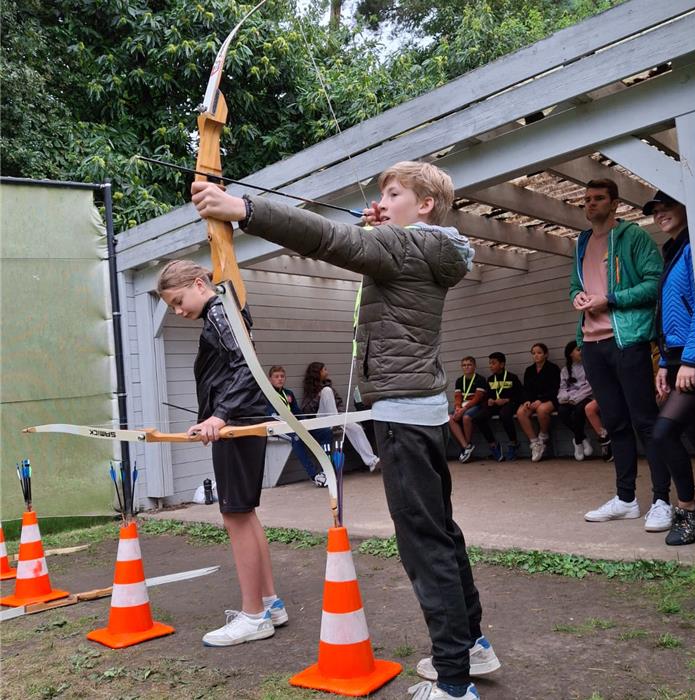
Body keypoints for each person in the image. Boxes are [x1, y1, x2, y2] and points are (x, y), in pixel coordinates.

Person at [191, 160, 500, 700]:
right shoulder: (428, 248)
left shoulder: (403, 247)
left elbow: (327, 237)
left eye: (395, 192)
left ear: (425, 205)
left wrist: (241, 209)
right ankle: (470, 645)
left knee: (424, 544)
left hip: (403, 416)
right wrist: (382, 227)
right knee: (441, 533)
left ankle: (454, 683)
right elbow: (369, 243)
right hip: (422, 412)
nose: (384, 201)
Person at [157, 260, 288, 646]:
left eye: (179, 301)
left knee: (235, 516)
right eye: (172, 306)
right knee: (243, 514)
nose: (178, 311)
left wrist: (219, 416)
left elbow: (246, 367)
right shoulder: (223, 311)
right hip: (239, 421)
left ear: (200, 284)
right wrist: (213, 417)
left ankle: (253, 616)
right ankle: (269, 603)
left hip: (237, 423)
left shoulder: (218, 311)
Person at [570, 178, 672, 531]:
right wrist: (578, 299)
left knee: (645, 420)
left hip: (626, 340)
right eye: (586, 199)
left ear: (614, 204)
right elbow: (575, 285)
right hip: (592, 345)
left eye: (598, 199)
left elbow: (653, 281)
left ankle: (662, 500)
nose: (591, 204)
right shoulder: (582, 241)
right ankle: (626, 499)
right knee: (614, 423)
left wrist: (609, 299)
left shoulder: (634, 237)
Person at [645, 191, 695, 545]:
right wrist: (665, 363)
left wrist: (691, 360)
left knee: (663, 432)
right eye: (655, 211)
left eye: (668, 207)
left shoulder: (694, 248)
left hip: (693, 356)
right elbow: (673, 315)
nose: (660, 214)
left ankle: (688, 511)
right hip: (678, 357)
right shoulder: (675, 250)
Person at [301, 361, 380, 472]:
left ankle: (372, 461)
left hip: (336, 418)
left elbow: (339, 404)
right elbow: (306, 409)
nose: (327, 372)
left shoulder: (329, 387)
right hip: (320, 420)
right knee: (326, 391)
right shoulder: (311, 390)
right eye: (324, 369)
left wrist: (341, 415)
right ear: (317, 372)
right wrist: (318, 397)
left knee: (356, 428)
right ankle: (336, 422)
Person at [267, 365, 327, 487]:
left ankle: (326, 469)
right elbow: (272, 416)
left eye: (282, 376)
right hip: (277, 428)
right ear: (270, 379)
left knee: (326, 432)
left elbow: (298, 413)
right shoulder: (266, 394)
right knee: (297, 438)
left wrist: (306, 424)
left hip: (294, 426)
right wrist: (294, 426)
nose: (280, 379)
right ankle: (315, 475)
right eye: (276, 377)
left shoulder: (288, 393)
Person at [557, 340, 612, 461]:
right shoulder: (565, 370)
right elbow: (562, 388)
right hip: (569, 399)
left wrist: (575, 399)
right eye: (578, 349)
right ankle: (582, 438)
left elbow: (589, 387)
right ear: (570, 353)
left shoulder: (589, 365)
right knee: (562, 411)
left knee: (579, 410)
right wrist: (564, 398)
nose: (581, 352)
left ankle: (577, 441)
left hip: (586, 397)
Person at [515, 342, 560, 461]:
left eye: (539, 353)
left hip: (550, 398)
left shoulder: (553, 368)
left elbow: (555, 388)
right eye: (533, 353)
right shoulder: (529, 370)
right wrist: (527, 401)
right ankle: (535, 443)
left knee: (542, 409)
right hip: (533, 400)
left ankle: (543, 435)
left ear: (546, 354)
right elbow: (526, 389)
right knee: (521, 412)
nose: (536, 356)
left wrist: (541, 400)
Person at [476, 352, 523, 461]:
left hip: (509, 404)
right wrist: (489, 400)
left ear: (502, 364)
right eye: (490, 363)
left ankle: (513, 443)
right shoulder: (490, 379)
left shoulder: (512, 377)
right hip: (495, 405)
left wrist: (507, 400)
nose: (490, 366)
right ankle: (493, 445)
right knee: (479, 418)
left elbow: (520, 394)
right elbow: (487, 396)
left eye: (493, 363)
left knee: (504, 414)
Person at [448, 357, 489, 463]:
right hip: (462, 406)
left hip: (476, 406)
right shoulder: (460, 380)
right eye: (464, 365)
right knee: (449, 418)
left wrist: (463, 409)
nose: (466, 367)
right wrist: (457, 408)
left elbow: (477, 398)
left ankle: (466, 448)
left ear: (474, 366)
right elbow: (457, 397)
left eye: (469, 365)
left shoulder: (480, 379)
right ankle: (466, 446)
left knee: (466, 417)